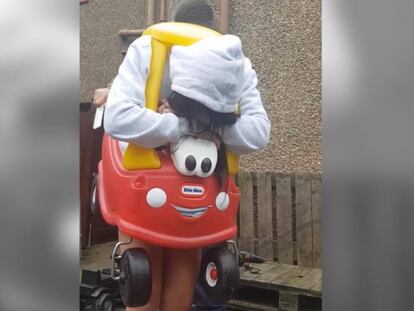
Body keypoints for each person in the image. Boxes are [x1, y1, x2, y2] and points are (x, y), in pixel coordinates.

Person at [98, 1, 270, 310]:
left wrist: (192, 125)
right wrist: (188, 126)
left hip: (190, 188)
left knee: (146, 294)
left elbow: (259, 131)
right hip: (153, 182)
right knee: (163, 288)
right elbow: (118, 118)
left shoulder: (233, 64)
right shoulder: (152, 48)